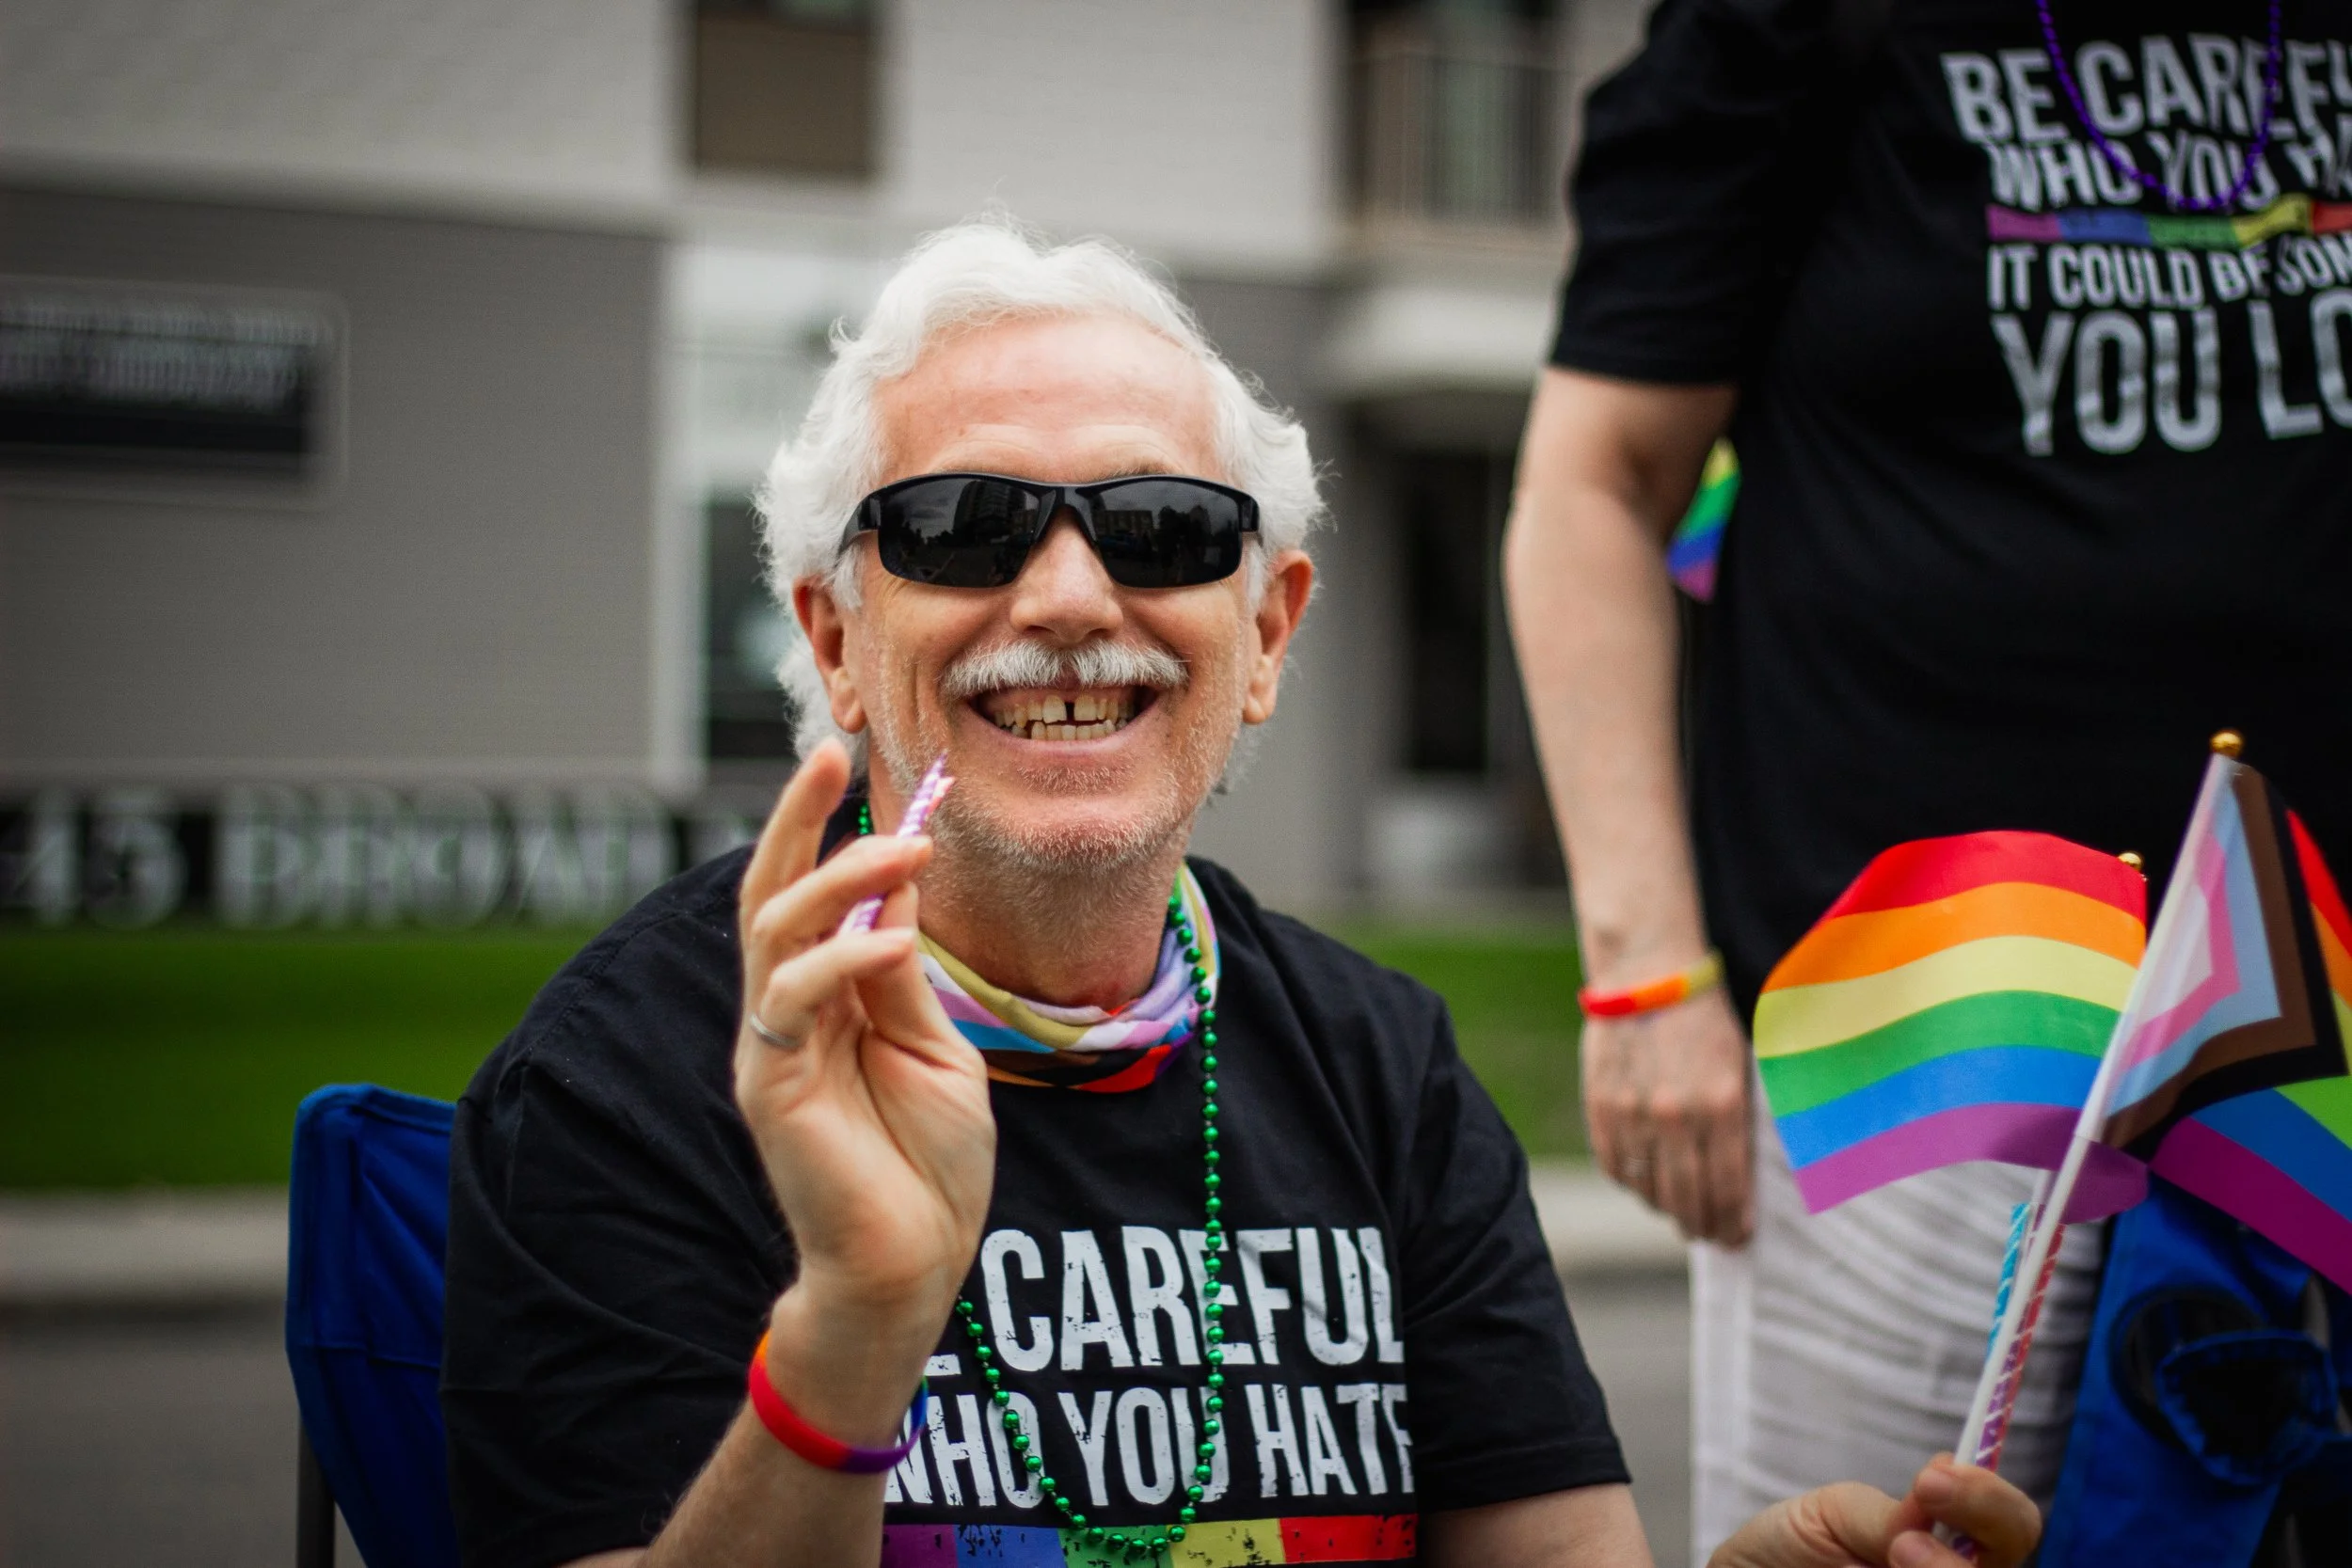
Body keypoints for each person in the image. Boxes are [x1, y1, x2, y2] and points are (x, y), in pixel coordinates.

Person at [440, 220, 2042, 1568]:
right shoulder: (628, 1079)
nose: (1069, 595)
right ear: (837, 636)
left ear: (1266, 636)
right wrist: (858, 1317)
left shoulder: (1379, 1064)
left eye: (1160, 528)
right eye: (960, 529)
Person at [1506, 0, 2352, 1559]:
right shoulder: (1804, 27)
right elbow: (1596, 479)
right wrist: (1642, 973)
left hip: (2321, 1021)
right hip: (1933, 1037)